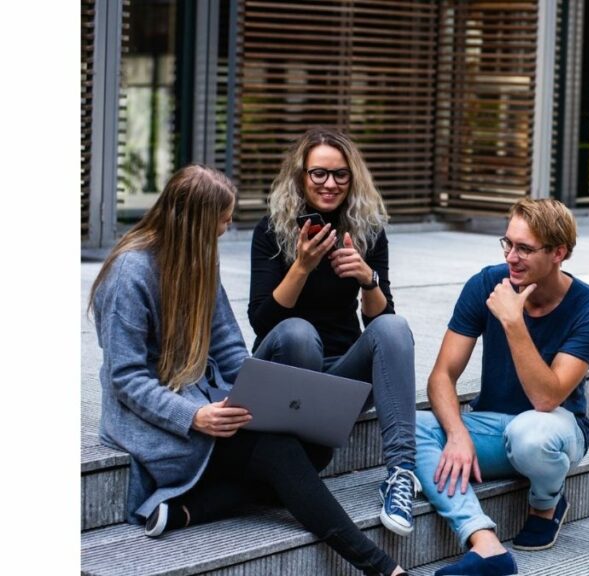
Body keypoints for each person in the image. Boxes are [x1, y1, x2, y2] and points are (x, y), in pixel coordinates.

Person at [90, 165, 407, 576]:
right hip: (156, 419)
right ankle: (379, 566)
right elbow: (127, 378)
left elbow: (229, 347)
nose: (225, 229)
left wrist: (257, 395)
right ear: (196, 221)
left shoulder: (199, 260)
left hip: (207, 402)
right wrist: (194, 416)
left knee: (315, 449)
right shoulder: (129, 273)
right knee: (281, 453)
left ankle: (191, 508)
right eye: (222, 221)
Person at [414, 198, 589, 576]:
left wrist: (513, 321)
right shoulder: (486, 283)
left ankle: (546, 502)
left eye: (524, 248)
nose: (511, 256)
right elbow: (442, 375)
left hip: (554, 428)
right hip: (491, 425)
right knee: (410, 427)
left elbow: (547, 397)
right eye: (507, 243)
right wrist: (456, 434)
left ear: (559, 253)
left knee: (531, 433)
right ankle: (484, 543)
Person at [247, 126, 419, 537]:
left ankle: (401, 475)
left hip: (340, 380)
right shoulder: (271, 230)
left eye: (340, 174)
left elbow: (381, 326)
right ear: (301, 176)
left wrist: (367, 279)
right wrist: (302, 266)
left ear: (353, 177)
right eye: (318, 173)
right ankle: (294, 460)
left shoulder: (367, 230)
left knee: (395, 327)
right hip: (285, 371)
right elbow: (262, 322)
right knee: (298, 333)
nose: (329, 184)